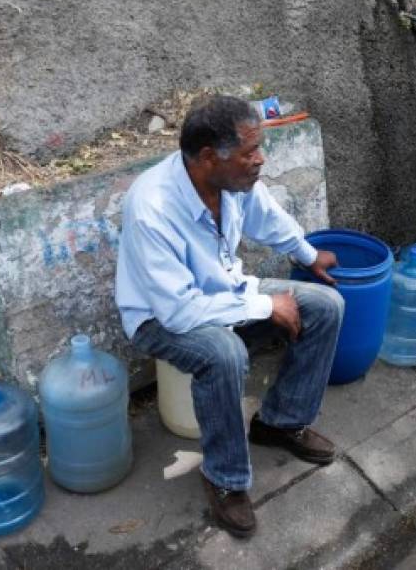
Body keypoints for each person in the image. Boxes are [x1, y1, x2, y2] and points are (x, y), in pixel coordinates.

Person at [115, 95, 344, 538]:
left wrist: (310, 255)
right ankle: (224, 480)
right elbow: (179, 311)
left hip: (226, 293)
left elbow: (269, 219)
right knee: (224, 354)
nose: (260, 160)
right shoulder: (151, 208)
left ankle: (281, 422)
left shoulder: (234, 181)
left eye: (259, 148)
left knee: (326, 306)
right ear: (207, 157)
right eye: (249, 152)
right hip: (160, 317)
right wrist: (265, 306)